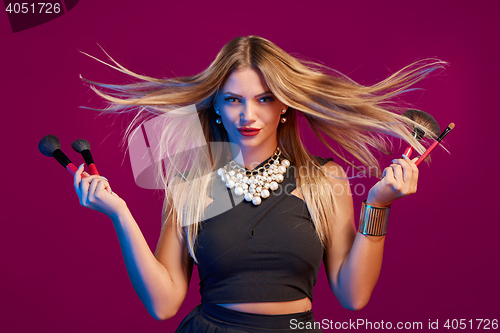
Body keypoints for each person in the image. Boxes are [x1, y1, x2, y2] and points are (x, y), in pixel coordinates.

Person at [73, 36, 445, 332]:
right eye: (233, 99)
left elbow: (353, 295)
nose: (247, 115)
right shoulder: (190, 186)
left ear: (284, 104)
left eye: (263, 99)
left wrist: (378, 205)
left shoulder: (324, 179)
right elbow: (164, 304)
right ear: (216, 105)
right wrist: (119, 215)